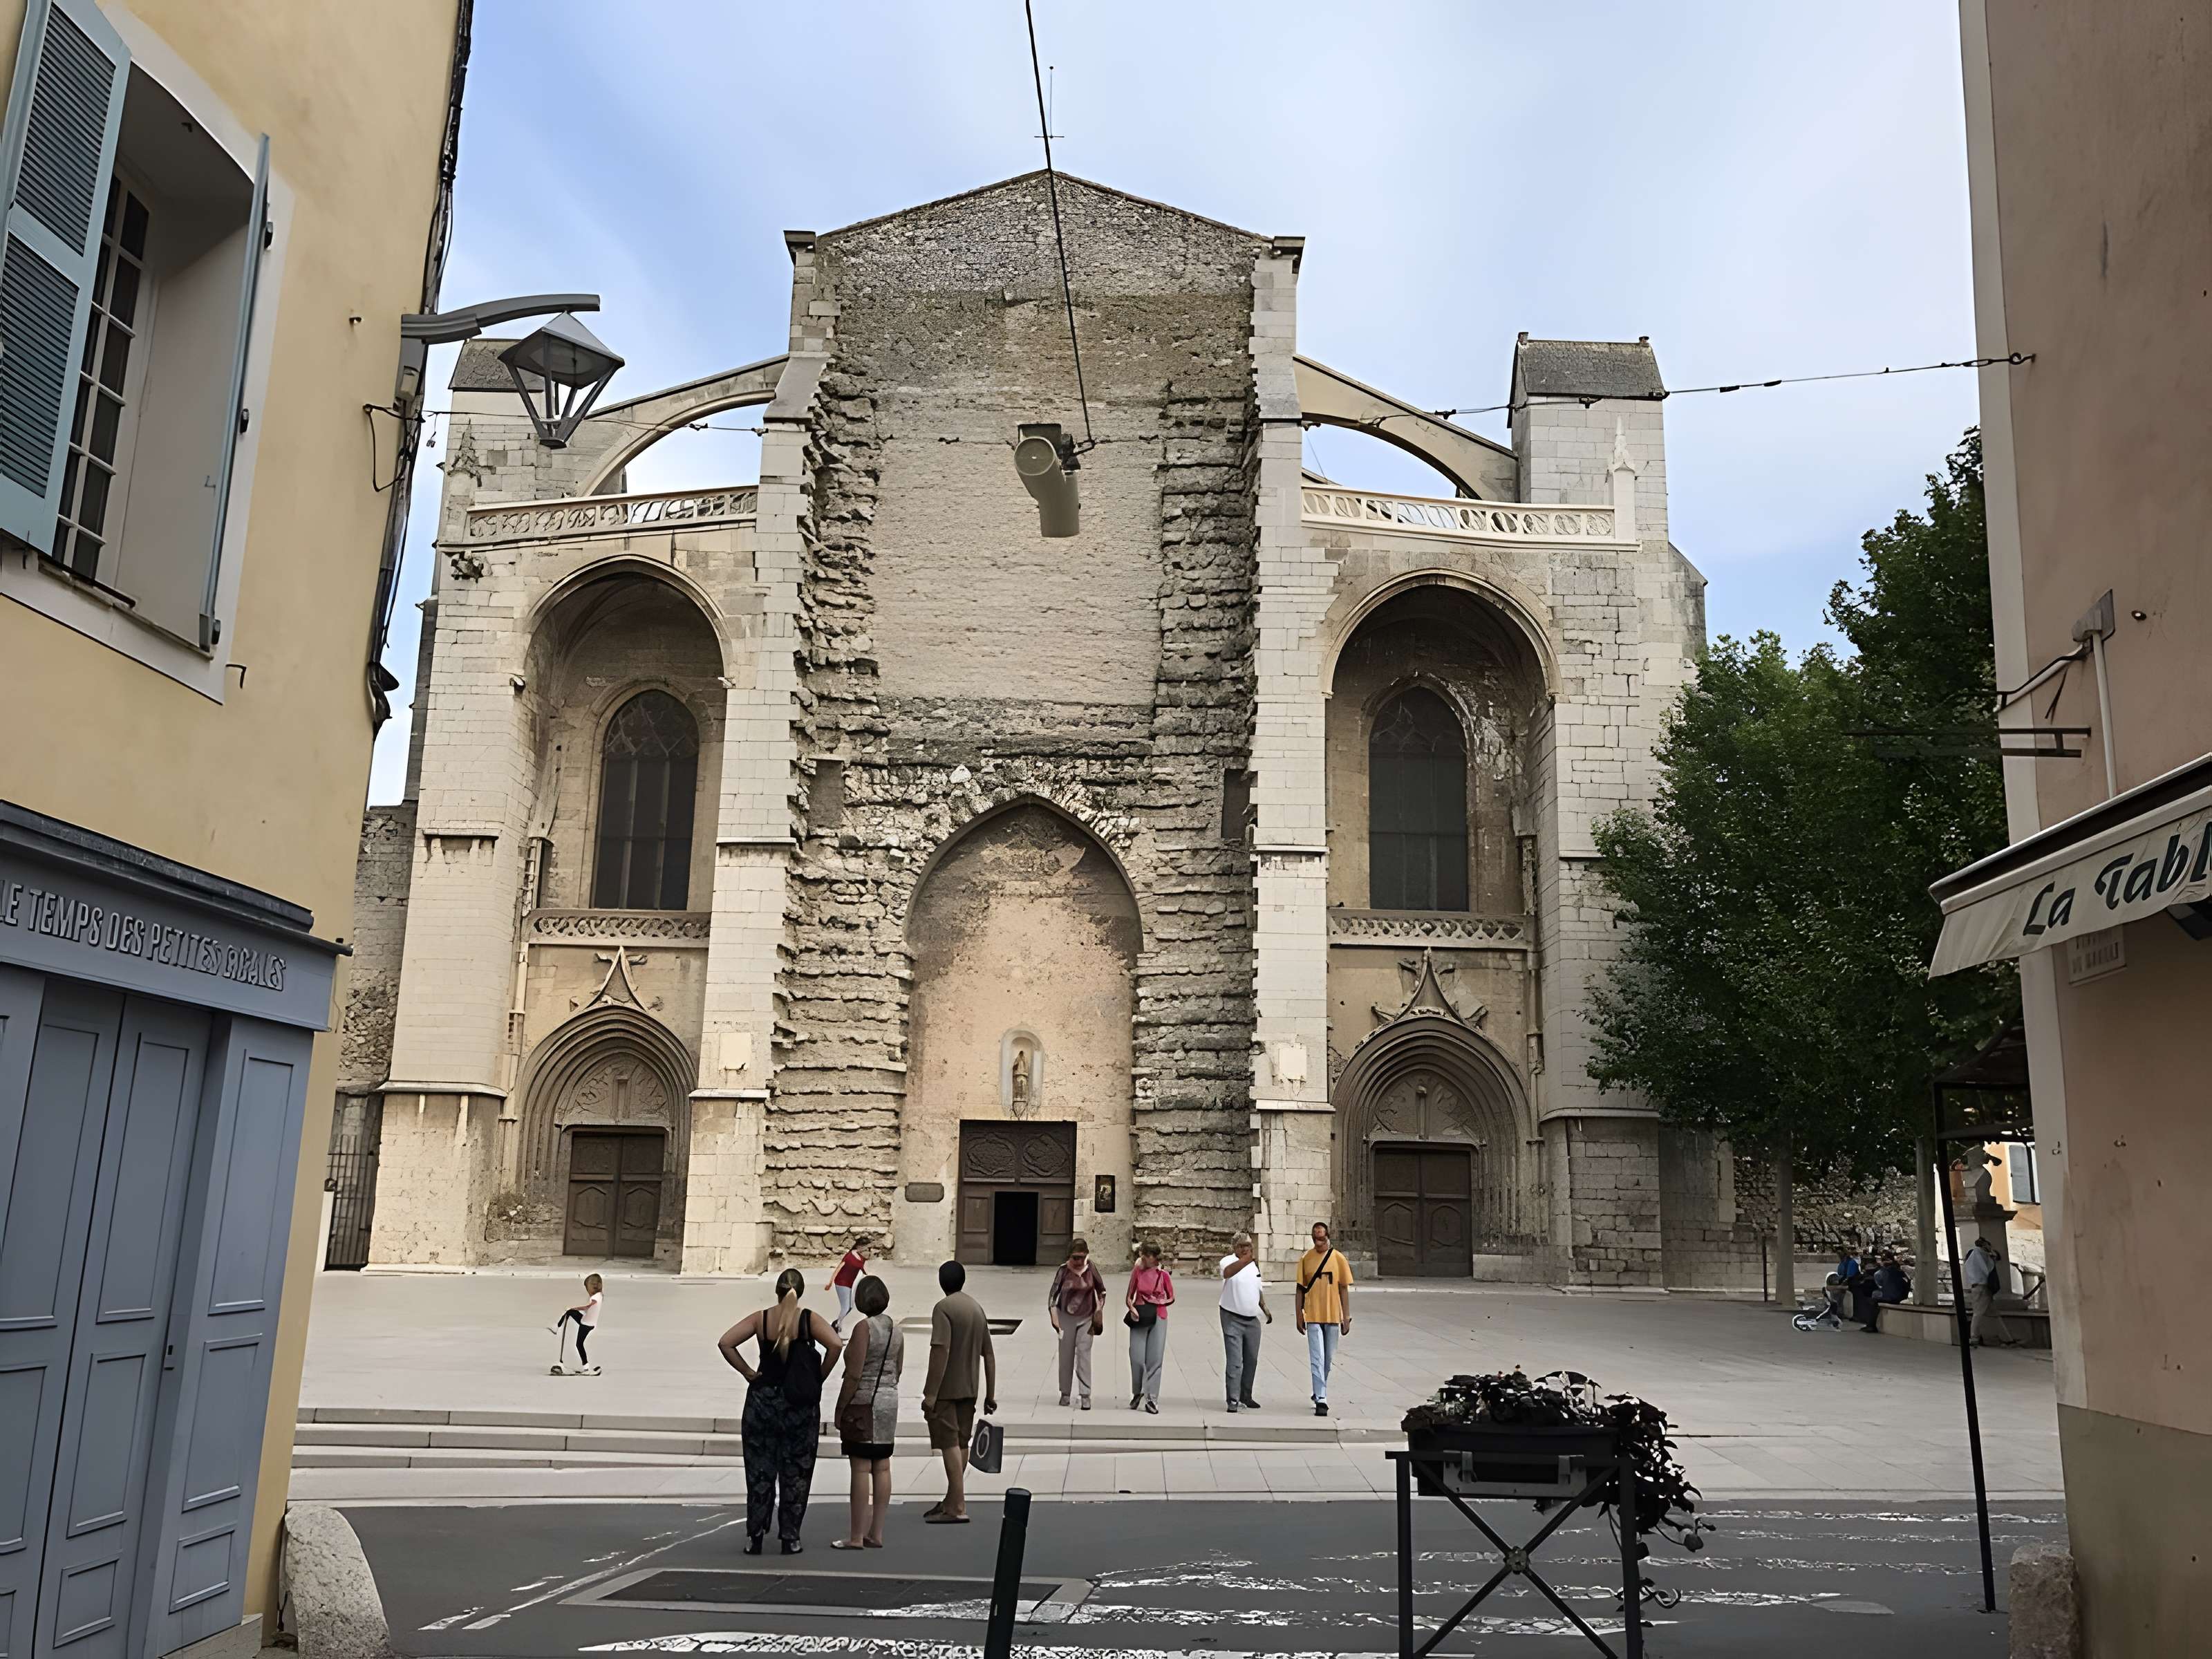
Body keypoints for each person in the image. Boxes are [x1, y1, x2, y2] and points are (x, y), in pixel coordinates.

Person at [718, 1268, 843, 1555]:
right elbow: (835, 1345)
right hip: (798, 1405)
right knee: (797, 1471)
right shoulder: (808, 1320)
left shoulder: (761, 1319)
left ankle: (755, 1535)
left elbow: (726, 1342)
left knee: (759, 1472)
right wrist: (818, 1377)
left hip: (762, 1401)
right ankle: (790, 1536)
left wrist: (748, 1372)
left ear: (776, 1292)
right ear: (801, 1292)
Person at [921, 1259, 997, 1524]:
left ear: (941, 1282)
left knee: (949, 1443)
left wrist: (931, 1393)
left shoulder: (943, 1308)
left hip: (947, 1388)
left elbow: (940, 1350)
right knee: (962, 1442)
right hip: (970, 1387)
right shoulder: (976, 1308)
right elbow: (989, 1354)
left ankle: (957, 1505)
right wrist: (990, 1394)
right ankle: (952, 1499)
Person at [831, 1275, 903, 1550]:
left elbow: (854, 1374)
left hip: (864, 1402)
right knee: (882, 1465)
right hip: (889, 1400)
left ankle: (856, 1536)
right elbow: (898, 1368)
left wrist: (841, 1407)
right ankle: (877, 1532)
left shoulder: (864, 1328)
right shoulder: (897, 1329)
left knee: (861, 1467)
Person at [1294, 1222, 1353, 1418]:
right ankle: (1321, 1398)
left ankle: (1319, 1389)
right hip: (1313, 1315)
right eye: (1315, 1237)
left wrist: (1346, 1316)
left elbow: (1344, 1289)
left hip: (1333, 1315)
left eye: (1321, 1237)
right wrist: (1298, 1315)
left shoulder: (1338, 1259)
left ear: (1328, 1236)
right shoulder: (1306, 1259)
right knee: (1317, 1358)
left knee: (1328, 1361)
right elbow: (1300, 1289)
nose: (1318, 1241)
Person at [1047, 1236, 1107, 1410]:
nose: (1079, 1261)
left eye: (1082, 1257)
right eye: (1075, 1258)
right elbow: (1053, 1296)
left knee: (1084, 1355)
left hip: (1087, 1317)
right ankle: (1065, 1393)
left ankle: (1085, 1394)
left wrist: (1099, 1310)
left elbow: (1102, 1291)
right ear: (1070, 1257)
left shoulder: (1091, 1269)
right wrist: (1054, 1318)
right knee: (1066, 1357)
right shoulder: (1063, 1270)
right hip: (1066, 1318)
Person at [1218, 1231, 1269, 1412]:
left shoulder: (1254, 1266)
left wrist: (1264, 1307)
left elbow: (1257, 1287)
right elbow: (1227, 1273)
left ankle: (1246, 1395)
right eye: (1242, 1246)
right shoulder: (1228, 1261)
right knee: (1235, 1360)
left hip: (1252, 1318)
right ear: (1235, 1247)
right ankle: (1233, 1399)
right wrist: (1244, 1261)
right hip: (1232, 1316)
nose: (1246, 1249)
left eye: (1248, 1246)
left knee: (1251, 1359)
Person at [1125, 1241, 1175, 1413]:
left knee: (1155, 1359)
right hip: (1140, 1315)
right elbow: (1129, 1296)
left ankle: (1152, 1399)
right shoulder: (1137, 1271)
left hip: (1159, 1316)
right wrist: (1132, 1308)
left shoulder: (1163, 1274)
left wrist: (1158, 1301)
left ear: (1153, 1257)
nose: (1143, 1258)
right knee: (1137, 1358)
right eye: (1142, 1255)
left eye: (1146, 1256)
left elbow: (1171, 1297)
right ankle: (1137, 1392)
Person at [1962, 1237, 2020, 1347]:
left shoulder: (1972, 1254)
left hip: (1978, 1287)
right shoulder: (1982, 1254)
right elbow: (1992, 1261)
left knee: (1994, 1315)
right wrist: (1991, 1252)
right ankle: (1974, 1338)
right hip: (1982, 1287)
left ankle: (2007, 1339)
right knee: (1978, 1313)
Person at [550, 1273, 603, 1369]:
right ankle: (557, 1328)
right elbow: (589, 1310)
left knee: (579, 1345)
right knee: (569, 1312)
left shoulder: (595, 1298)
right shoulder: (600, 1295)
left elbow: (587, 1307)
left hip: (586, 1325)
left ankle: (586, 1367)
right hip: (585, 1320)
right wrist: (574, 1310)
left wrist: (576, 1308)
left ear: (592, 1287)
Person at [1862, 1250, 1913, 1333]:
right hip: (1902, 1297)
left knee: (1873, 1301)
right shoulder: (1903, 1273)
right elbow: (1907, 1285)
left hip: (1891, 1298)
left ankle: (1871, 1325)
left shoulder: (1884, 1272)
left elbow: (1880, 1283)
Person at [832, 1235, 870, 1333]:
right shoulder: (849, 1256)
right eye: (867, 1248)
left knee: (850, 1307)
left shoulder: (861, 1258)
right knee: (846, 1307)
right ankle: (837, 1325)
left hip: (849, 1284)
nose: (868, 1251)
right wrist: (830, 1282)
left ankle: (838, 1324)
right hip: (841, 1282)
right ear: (860, 1247)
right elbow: (839, 1268)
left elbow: (862, 1270)